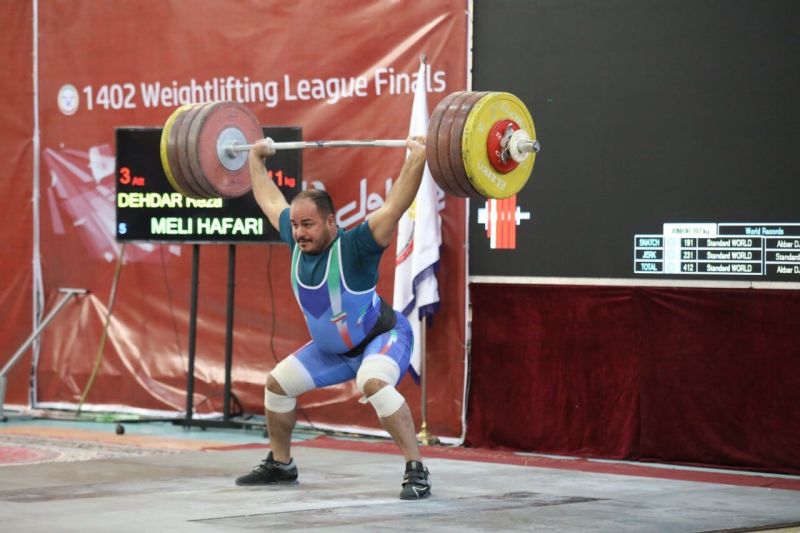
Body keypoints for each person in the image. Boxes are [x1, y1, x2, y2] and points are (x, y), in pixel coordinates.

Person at [234, 135, 431, 500]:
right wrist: (256, 160)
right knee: (277, 384)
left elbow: (394, 207)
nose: (298, 233)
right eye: (295, 225)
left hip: (382, 337)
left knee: (372, 384)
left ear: (330, 221)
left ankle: (416, 469)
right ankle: (281, 465)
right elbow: (269, 197)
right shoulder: (296, 241)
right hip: (333, 351)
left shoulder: (357, 247)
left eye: (307, 225)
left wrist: (417, 158)